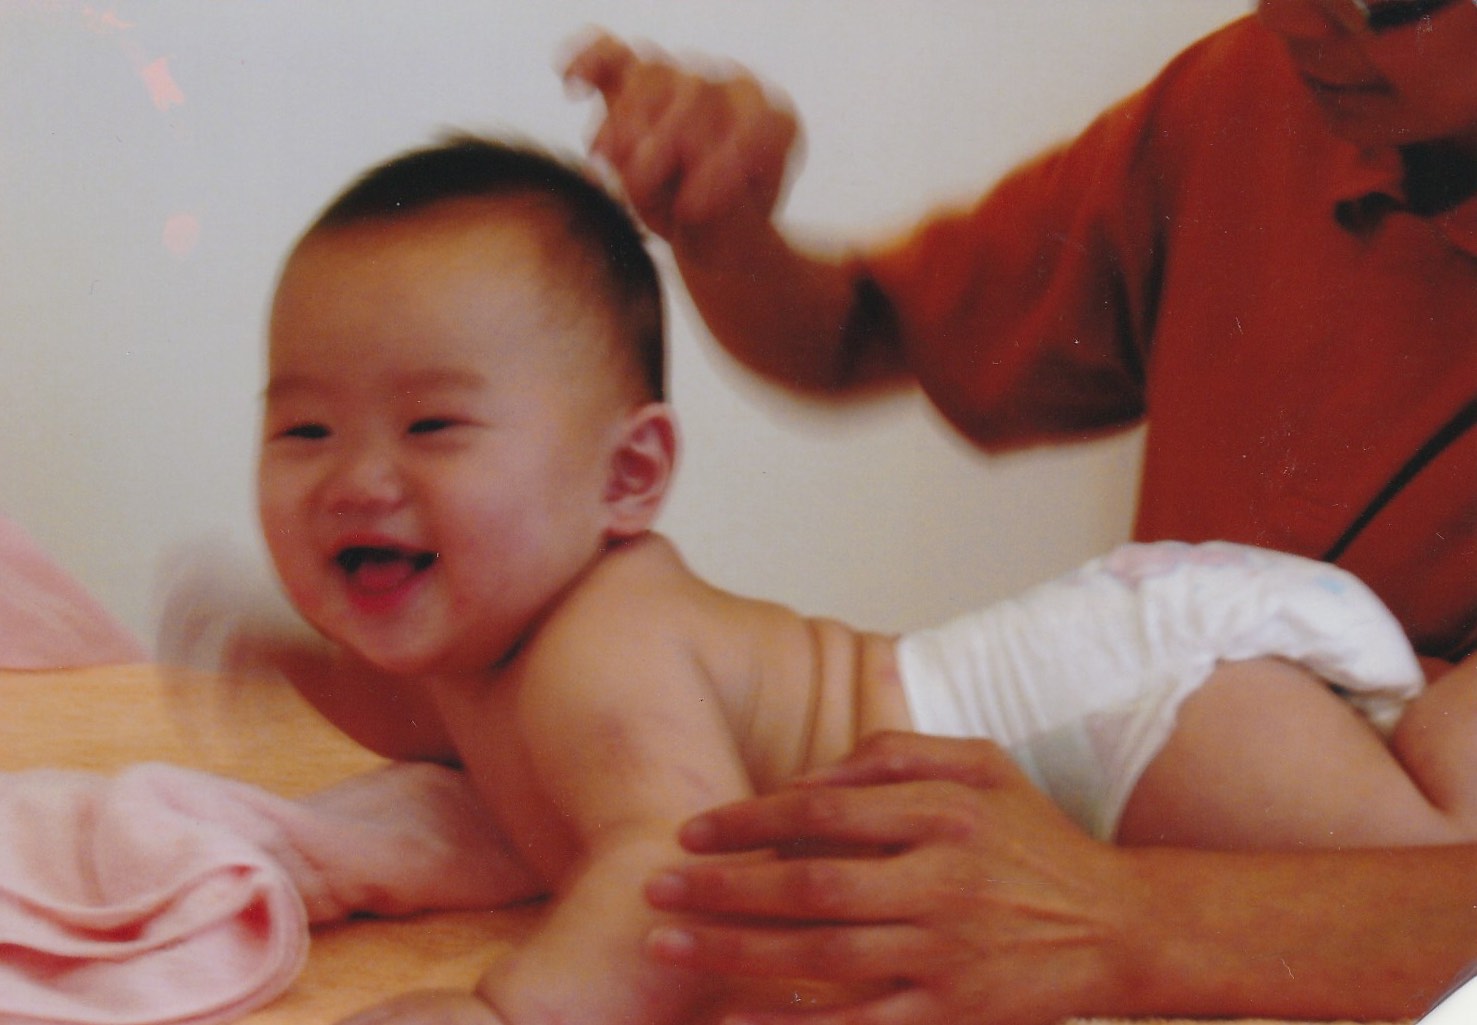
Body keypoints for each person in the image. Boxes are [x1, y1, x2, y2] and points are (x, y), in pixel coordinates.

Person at [172, 134, 1473, 1025]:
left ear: (628, 477)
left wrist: (509, 1008)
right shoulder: (485, 649)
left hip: (1120, 703)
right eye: (305, 428)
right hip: (1122, 680)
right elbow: (422, 717)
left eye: (433, 426)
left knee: (1425, 874)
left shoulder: (596, 649)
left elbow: (664, 865)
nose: (357, 477)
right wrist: (292, 654)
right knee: (1396, 794)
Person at [560, 1, 1477, 1022]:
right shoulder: (1252, 101)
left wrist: (1122, 918)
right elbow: (857, 335)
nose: (1299, 19)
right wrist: (726, 233)